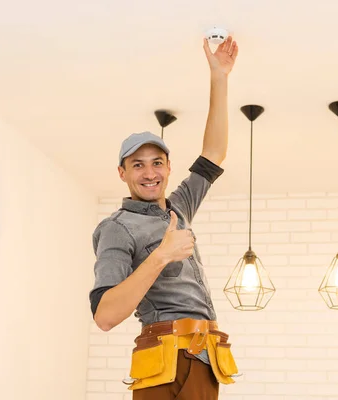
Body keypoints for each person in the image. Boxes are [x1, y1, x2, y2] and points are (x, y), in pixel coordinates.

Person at [89, 36, 239, 400]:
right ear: (122, 173)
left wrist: (219, 77)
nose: (149, 172)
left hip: (206, 356)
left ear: (169, 168)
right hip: (163, 358)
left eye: (157, 163)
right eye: (137, 165)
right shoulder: (116, 228)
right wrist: (161, 255)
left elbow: (214, 153)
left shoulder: (179, 207)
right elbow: (105, 316)